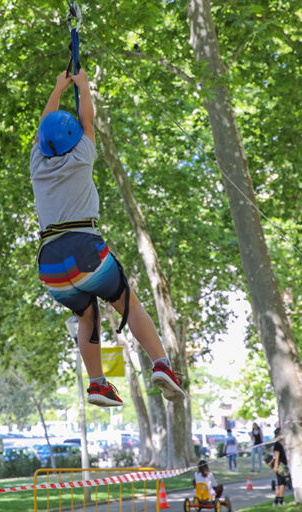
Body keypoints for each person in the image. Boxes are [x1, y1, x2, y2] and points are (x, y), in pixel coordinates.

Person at [31, 69, 185, 408]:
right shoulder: (82, 156)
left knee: (87, 317)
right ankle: (162, 365)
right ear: (74, 139)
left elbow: (46, 126)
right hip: (84, 248)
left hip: (51, 266)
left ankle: (98, 384)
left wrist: (57, 88)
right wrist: (83, 87)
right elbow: (87, 122)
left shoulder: (37, 164)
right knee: (126, 303)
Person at [270, 428, 289, 506]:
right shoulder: (277, 445)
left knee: (280, 483)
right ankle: (281, 501)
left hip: (282, 465)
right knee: (282, 483)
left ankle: (277, 501)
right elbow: (276, 457)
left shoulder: (280, 444)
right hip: (280, 466)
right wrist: (276, 466)